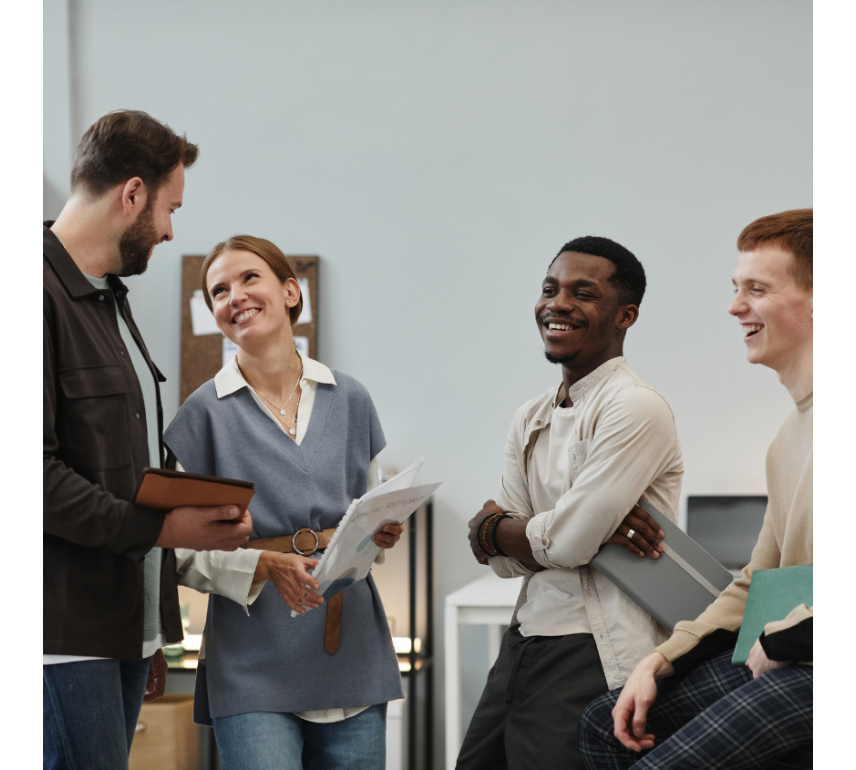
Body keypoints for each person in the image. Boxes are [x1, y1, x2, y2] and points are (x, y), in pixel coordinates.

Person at [43, 110, 253, 770]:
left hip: (124, 629)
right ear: (132, 194)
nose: (168, 230)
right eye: (170, 209)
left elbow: (127, 465)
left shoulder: (110, 297)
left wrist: (154, 628)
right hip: (65, 635)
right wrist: (168, 529)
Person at [578, 209, 813, 770]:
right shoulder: (787, 440)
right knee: (602, 724)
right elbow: (758, 582)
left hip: (801, 660)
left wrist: (783, 643)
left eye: (756, 289)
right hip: (792, 655)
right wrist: (659, 660)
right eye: (737, 289)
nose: (735, 307)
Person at [163, 235, 405, 770]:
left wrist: (377, 536)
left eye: (250, 278)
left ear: (291, 291)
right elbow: (175, 549)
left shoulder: (352, 399)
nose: (235, 296)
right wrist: (261, 565)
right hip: (251, 655)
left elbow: (362, 518)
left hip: (350, 648)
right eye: (219, 291)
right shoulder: (202, 414)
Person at [456, 237, 685, 770]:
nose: (557, 303)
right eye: (550, 289)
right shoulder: (529, 415)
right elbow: (506, 561)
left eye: (583, 293)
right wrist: (499, 534)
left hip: (591, 650)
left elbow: (567, 541)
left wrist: (507, 528)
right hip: (526, 639)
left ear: (625, 315)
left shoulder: (635, 407)